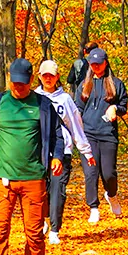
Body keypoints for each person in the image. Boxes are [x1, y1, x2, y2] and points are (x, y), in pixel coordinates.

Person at [0, 58, 65, 255]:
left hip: (33, 178)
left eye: (23, 83)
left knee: (35, 232)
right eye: (15, 83)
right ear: (9, 79)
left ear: (31, 81)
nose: (19, 87)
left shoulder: (44, 105)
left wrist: (56, 156)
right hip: (1, 177)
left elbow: (58, 136)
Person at [35, 60, 95, 245]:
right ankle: (43, 221)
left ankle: (54, 229)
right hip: (39, 153)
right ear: (39, 76)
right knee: (40, 191)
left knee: (57, 190)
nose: (48, 79)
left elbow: (75, 125)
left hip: (63, 152)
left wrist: (86, 151)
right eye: (44, 75)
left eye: (51, 76)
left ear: (57, 77)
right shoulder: (33, 98)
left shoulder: (65, 99)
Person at [74, 47, 128, 224]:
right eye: (93, 64)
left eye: (99, 63)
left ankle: (111, 195)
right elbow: (77, 111)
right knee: (91, 173)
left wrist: (115, 108)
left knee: (109, 173)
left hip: (107, 134)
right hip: (88, 135)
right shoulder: (83, 85)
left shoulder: (116, 83)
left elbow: (124, 106)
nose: (96, 66)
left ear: (106, 63)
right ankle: (94, 207)